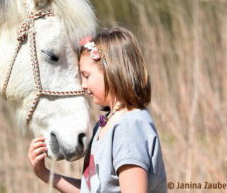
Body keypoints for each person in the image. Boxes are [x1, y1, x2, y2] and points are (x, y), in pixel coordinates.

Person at [28, 27, 167, 193]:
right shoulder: (105, 123)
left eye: (86, 76)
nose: (83, 85)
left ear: (111, 72)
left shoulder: (128, 127)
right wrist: (45, 174)